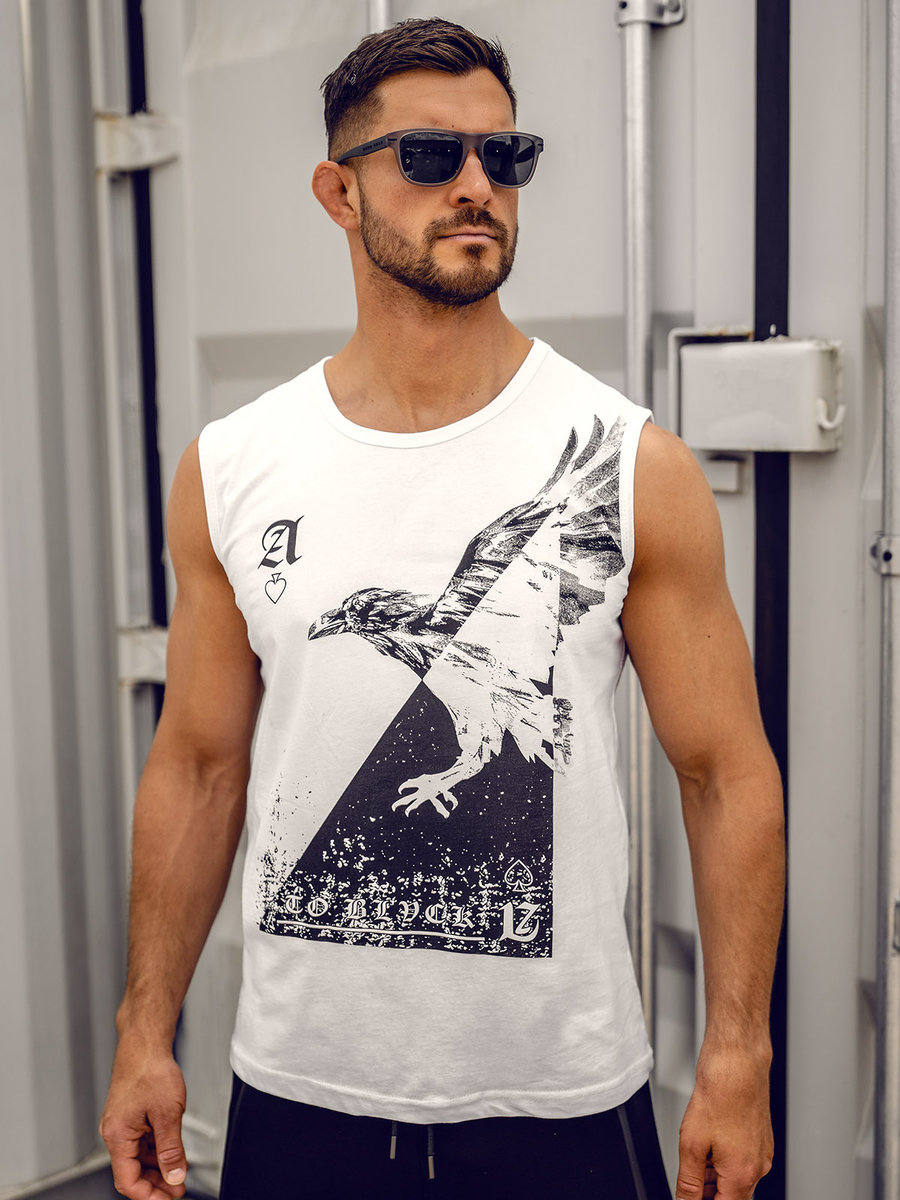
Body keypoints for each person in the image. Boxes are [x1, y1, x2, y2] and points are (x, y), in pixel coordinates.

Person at [99, 17, 784, 1200]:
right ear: (339, 192)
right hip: (299, 1092)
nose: (477, 186)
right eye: (429, 156)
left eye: (504, 157)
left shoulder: (630, 463)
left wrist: (738, 1051)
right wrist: (143, 1031)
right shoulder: (233, 466)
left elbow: (726, 775)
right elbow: (200, 767)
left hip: (558, 1101)